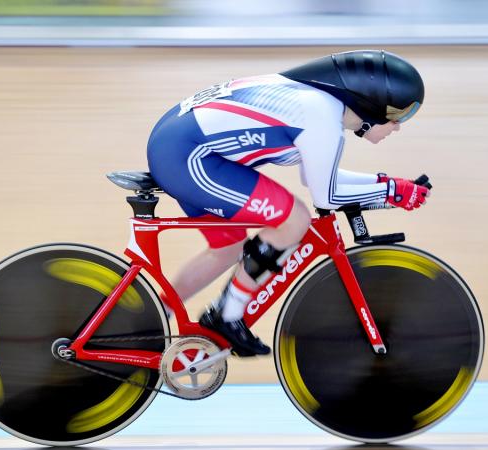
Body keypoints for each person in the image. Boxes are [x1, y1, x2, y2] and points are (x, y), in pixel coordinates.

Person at [146, 50, 430, 356]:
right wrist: (390, 192)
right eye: (397, 115)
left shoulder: (318, 103)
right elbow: (326, 196)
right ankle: (226, 316)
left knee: (228, 248)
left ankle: (151, 318)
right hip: (188, 157)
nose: (398, 126)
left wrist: (390, 188)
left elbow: (318, 178)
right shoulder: (321, 119)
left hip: (178, 147)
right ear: (371, 106)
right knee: (294, 218)